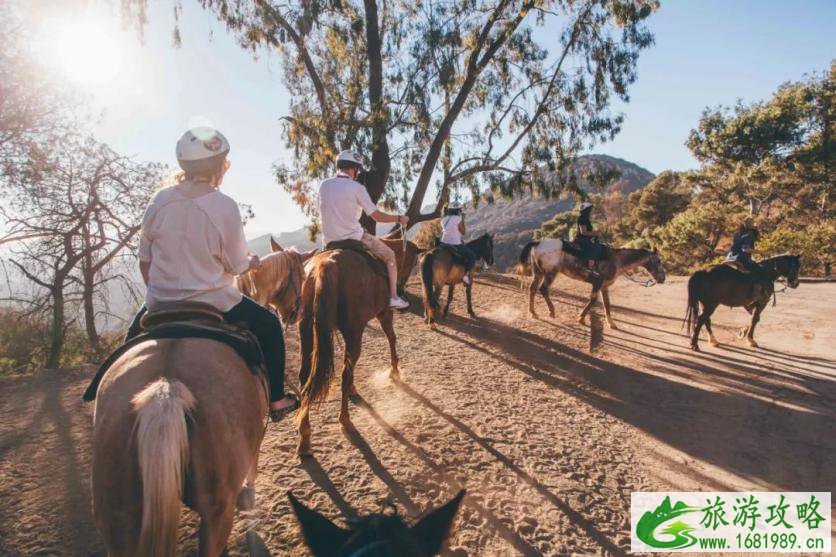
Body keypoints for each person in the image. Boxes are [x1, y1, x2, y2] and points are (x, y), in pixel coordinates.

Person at [125, 127, 298, 420]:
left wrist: (160, 294)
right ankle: (277, 400)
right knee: (269, 325)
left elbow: (145, 260)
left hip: (160, 302)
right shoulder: (224, 206)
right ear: (220, 166)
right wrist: (252, 262)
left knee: (129, 344)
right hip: (216, 301)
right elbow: (235, 265)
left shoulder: (159, 200)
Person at [318, 150, 410, 309]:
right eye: (357, 170)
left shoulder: (323, 185)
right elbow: (377, 216)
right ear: (354, 169)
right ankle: (394, 297)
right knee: (390, 256)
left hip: (329, 242)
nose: (357, 173)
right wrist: (398, 219)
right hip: (355, 238)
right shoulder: (357, 187)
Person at [440, 203, 477, 285]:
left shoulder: (444, 219)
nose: (460, 211)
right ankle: (465, 276)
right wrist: (463, 219)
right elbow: (463, 232)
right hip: (455, 244)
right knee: (472, 256)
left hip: (443, 243)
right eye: (460, 210)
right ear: (458, 210)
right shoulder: (458, 219)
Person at [575, 201, 602, 277]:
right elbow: (583, 232)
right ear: (587, 210)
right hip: (582, 239)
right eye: (590, 209)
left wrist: (595, 233)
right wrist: (596, 233)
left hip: (585, 238)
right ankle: (589, 269)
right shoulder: (583, 218)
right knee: (593, 249)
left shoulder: (585, 218)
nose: (591, 211)